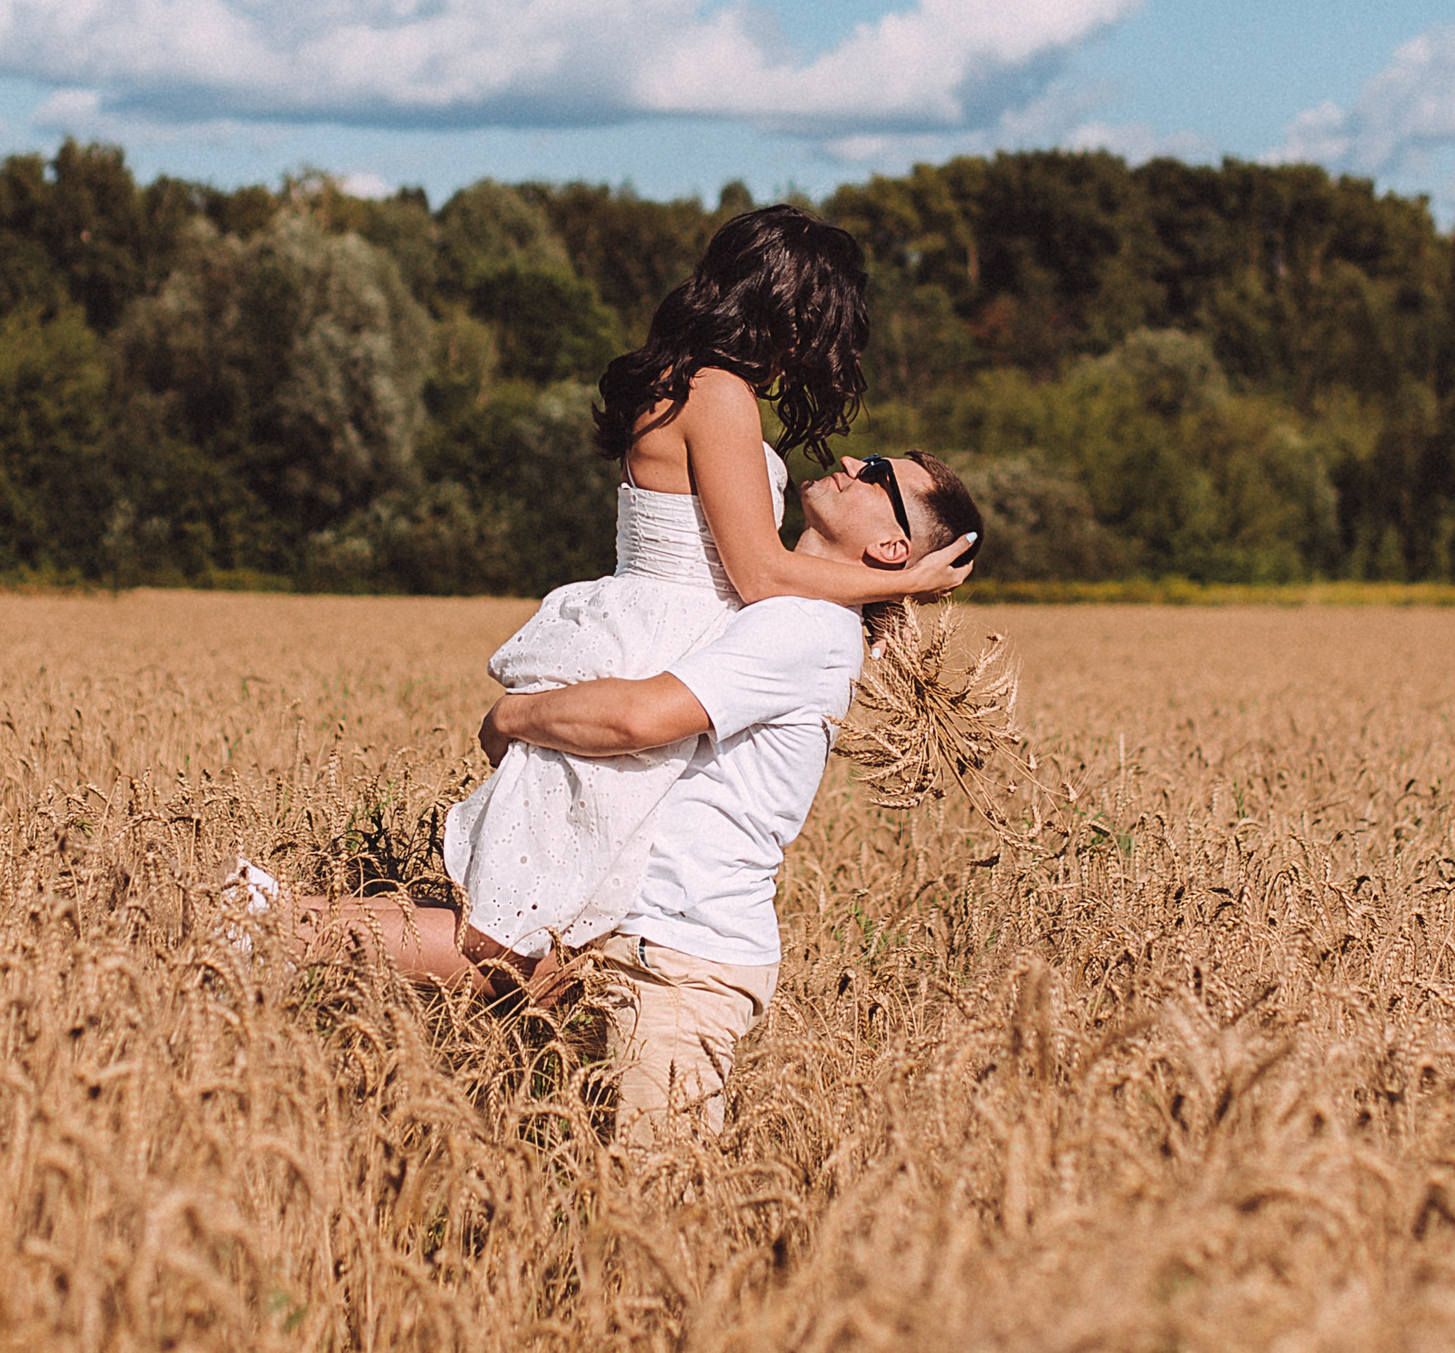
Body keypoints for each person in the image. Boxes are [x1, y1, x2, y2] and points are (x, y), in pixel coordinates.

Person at [271, 449, 982, 1142]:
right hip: (624, 937)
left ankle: (255, 924)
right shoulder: (785, 610)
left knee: (656, 1216)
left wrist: (514, 716)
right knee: (490, 1005)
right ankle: (255, 925)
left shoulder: (804, 626)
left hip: (678, 960)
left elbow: (637, 719)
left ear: (892, 547)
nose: (855, 461)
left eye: (880, 475)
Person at [440, 207, 974, 976]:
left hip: (654, 637)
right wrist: (908, 580)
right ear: (794, 309)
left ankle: (269, 926)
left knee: (540, 945)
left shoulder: (687, 384)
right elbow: (759, 572)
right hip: (658, 645)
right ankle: (268, 922)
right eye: (831, 322)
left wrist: (857, 623)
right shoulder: (717, 393)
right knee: (512, 943)